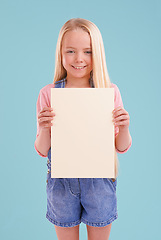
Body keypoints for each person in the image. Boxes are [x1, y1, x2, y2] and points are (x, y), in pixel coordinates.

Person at [35, 18, 132, 240]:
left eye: (87, 51)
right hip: (61, 183)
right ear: (60, 53)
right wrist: (44, 127)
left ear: (97, 54)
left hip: (99, 182)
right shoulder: (48, 94)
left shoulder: (109, 91)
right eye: (71, 51)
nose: (79, 59)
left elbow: (121, 146)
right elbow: (41, 149)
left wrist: (124, 127)